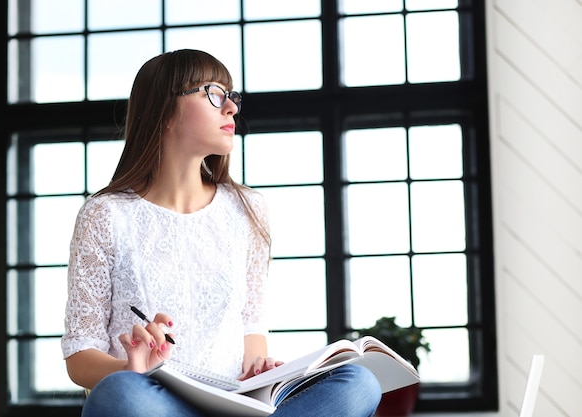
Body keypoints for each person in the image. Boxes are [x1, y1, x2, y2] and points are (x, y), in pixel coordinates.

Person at [61, 49, 381, 417]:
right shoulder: (105, 214)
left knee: (359, 383)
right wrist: (131, 369)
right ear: (164, 112)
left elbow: (251, 326)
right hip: (155, 402)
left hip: (235, 403)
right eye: (212, 93)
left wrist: (258, 368)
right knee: (120, 394)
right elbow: (80, 354)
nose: (231, 107)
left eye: (231, 95)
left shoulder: (247, 209)